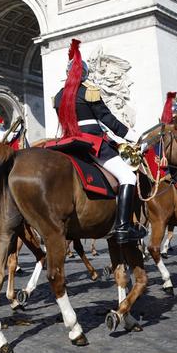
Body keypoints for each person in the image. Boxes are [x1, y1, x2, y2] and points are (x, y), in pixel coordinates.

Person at [54, 39, 143, 244]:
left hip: (69, 144)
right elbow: (108, 119)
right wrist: (132, 136)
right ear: (84, 74)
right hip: (92, 145)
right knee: (128, 177)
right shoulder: (89, 91)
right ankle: (123, 226)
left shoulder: (58, 97)